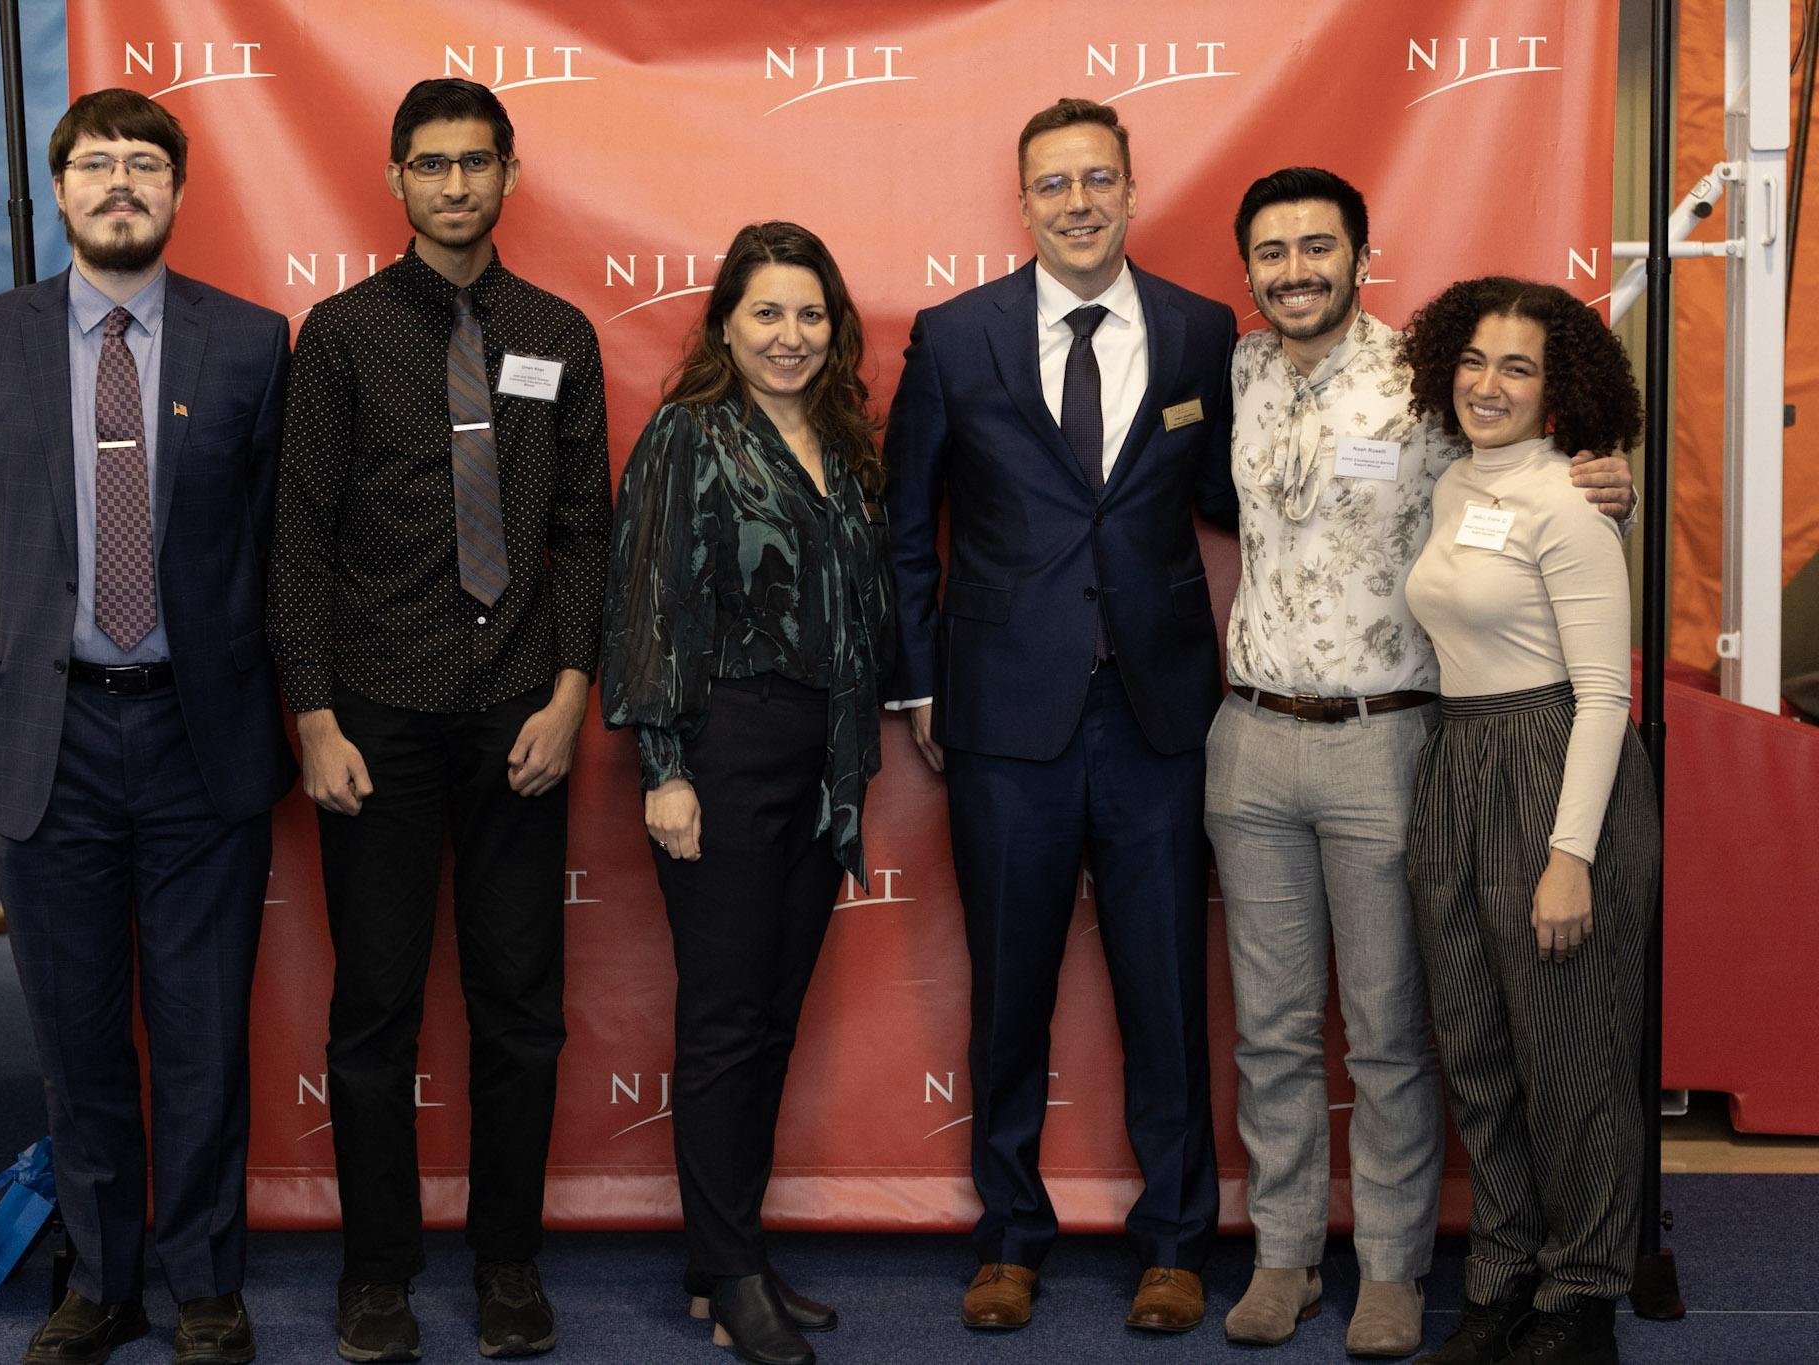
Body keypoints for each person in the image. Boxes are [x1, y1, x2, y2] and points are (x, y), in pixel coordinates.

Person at [1210, 170, 1637, 1356]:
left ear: (1360, 256)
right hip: (1246, 739)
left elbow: (1536, 464)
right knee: (1269, 1031)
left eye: (1317, 247)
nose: (1294, 269)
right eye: (1270, 252)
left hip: (1387, 738)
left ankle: (1392, 1270)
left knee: (1389, 1034)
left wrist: (1609, 477)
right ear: (1246, 269)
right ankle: (1285, 1256)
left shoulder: (1428, 378)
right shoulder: (1237, 370)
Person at [0, 88, 292, 1365]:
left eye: (144, 163)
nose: (119, 182)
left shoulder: (251, 343)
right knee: (75, 1037)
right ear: (61, 187)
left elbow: (270, 542)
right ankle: (100, 1276)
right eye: (94, 164)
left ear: (178, 190)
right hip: (50, 741)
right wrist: (33, 642)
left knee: (202, 1035)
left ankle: (204, 1284)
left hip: (203, 739)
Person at [265, 78, 611, 1362]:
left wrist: (570, 696)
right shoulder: (341, 336)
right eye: (430, 164)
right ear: (395, 180)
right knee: (374, 1010)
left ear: (510, 174)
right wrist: (313, 717)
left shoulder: (558, 334)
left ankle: (508, 1264)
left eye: (475, 162)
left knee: (521, 1008)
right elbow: (298, 541)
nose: (454, 184)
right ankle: (376, 1276)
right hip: (377, 716)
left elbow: (584, 533)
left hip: (520, 714)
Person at [885, 96, 1235, 1334]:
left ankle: (1176, 1243)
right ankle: (1007, 1238)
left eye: (1096, 180)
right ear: (1021, 203)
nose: (1076, 203)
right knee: (1007, 995)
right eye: (1052, 184)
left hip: (1157, 718)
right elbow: (904, 526)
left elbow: (1239, 495)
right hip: (999, 721)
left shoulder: (1200, 332)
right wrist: (919, 682)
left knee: (1166, 995)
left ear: (1130, 192)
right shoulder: (953, 336)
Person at [601, 220, 893, 1365]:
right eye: (766, 312)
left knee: (770, 1018)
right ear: (725, 323)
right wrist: (664, 770)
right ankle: (729, 1275)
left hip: (823, 758)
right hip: (722, 744)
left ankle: (725, 1258)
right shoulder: (688, 433)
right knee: (725, 1022)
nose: (789, 334)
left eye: (809, 314)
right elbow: (646, 599)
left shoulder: (843, 437)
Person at [1398, 278, 1658, 1365]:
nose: (1487, 384)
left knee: (1570, 1056)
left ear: (1559, 388)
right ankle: (1501, 1279)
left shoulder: (1569, 497)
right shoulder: (1455, 479)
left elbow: (1604, 694)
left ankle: (1582, 1298)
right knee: (1476, 1048)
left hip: (1554, 765)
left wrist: (1569, 857)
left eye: (1517, 367)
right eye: (1473, 360)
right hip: (1458, 761)